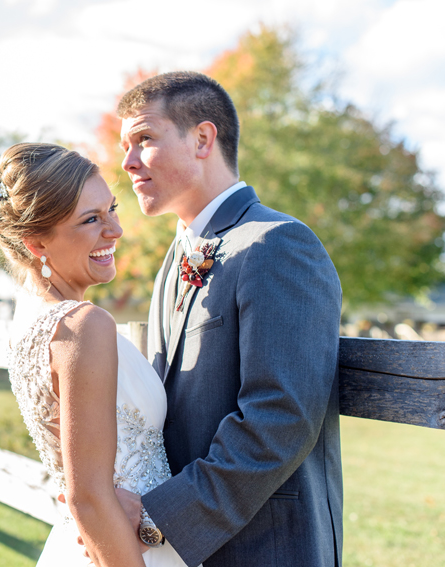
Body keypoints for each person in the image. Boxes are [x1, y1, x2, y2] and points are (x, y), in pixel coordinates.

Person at [114, 71, 344, 566]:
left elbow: (281, 416)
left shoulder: (278, 243)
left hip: (265, 545)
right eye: (124, 147)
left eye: (144, 139)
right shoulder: (174, 261)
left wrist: (161, 518)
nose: (128, 162)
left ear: (202, 139)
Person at [0, 143, 187, 567]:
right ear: (36, 244)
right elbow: (87, 497)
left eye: (112, 208)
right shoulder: (84, 325)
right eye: (91, 219)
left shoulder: (31, 321)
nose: (115, 230)